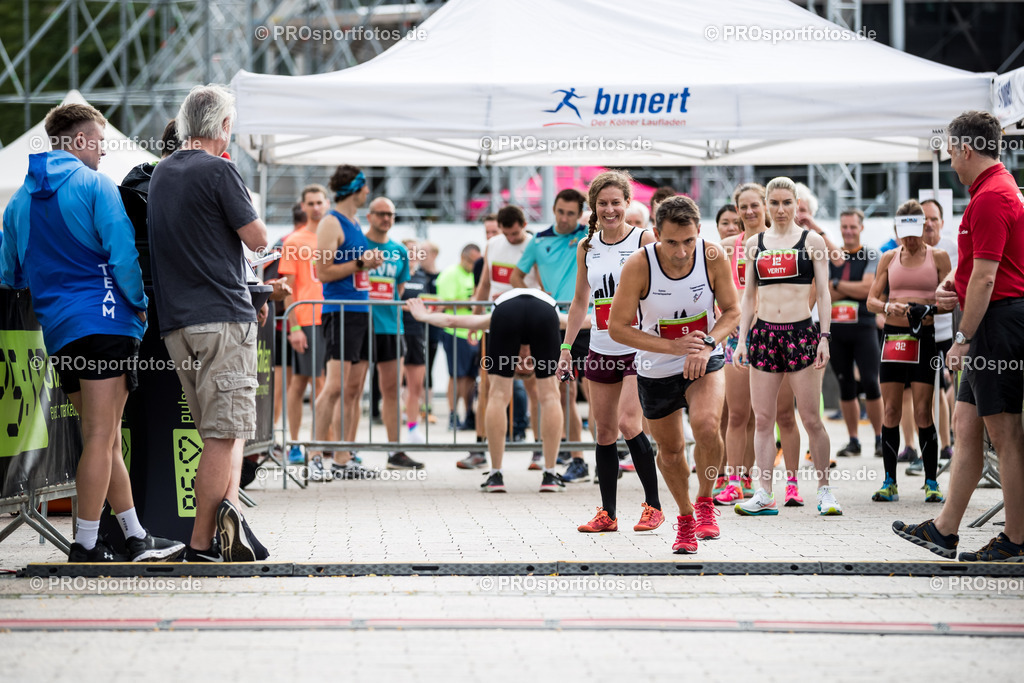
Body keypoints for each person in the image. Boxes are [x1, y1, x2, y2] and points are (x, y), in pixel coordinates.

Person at [1, 103, 183, 563]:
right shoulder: (95, 185)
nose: (102, 153)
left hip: (60, 330)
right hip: (107, 320)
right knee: (102, 435)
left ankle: (137, 537)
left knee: (101, 436)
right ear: (80, 140)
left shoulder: (19, 200)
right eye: (99, 142)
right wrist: (139, 307)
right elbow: (123, 256)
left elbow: (12, 273)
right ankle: (84, 545)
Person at [894, 111, 1024, 561]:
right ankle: (945, 530)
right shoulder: (989, 192)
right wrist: (956, 284)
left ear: (967, 148)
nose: (949, 159)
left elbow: (989, 280)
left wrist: (963, 336)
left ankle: (1016, 540)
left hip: (996, 324)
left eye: (951, 149)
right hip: (991, 318)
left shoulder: (992, 196)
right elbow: (982, 270)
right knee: (966, 426)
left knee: (1005, 434)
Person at [148, 84, 270, 561]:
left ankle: (229, 535)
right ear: (222, 127)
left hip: (177, 324)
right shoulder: (220, 170)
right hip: (223, 318)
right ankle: (201, 546)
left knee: (217, 432)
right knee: (224, 435)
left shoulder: (161, 173)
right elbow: (257, 240)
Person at [609, 196, 740, 552]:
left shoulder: (713, 257)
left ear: (699, 232)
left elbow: (732, 310)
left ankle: (705, 501)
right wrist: (673, 347)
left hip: (704, 357)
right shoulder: (639, 265)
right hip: (657, 366)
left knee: (707, 426)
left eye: (688, 241)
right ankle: (684, 518)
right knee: (670, 450)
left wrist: (708, 344)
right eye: (671, 242)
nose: (681, 252)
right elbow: (617, 327)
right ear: (655, 234)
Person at [558, 170, 663, 530]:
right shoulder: (586, 246)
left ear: (627, 204)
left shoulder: (644, 239)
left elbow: (660, 291)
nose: (609, 209)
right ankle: (609, 514)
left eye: (616, 203)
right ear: (594, 207)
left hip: (637, 348)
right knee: (603, 432)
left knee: (628, 423)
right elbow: (579, 301)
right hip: (600, 348)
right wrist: (566, 348)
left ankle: (653, 505)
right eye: (603, 203)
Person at [733, 177, 841, 517]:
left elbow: (823, 293)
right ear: (767, 205)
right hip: (764, 335)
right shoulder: (755, 243)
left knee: (811, 418)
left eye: (787, 203)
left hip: (801, 335)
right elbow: (748, 295)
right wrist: (741, 340)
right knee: (763, 419)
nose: (780, 210)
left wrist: (824, 336)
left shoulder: (813, 242)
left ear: (797, 205)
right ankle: (764, 492)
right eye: (775, 203)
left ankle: (824, 491)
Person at [406, 293, 566, 493]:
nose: (524, 358)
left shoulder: (495, 316)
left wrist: (423, 316)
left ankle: (495, 475)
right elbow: (588, 320)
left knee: (498, 396)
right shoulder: (556, 317)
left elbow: (452, 320)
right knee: (550, 396)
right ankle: (550, 475)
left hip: (506, 311)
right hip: (544, 311)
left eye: (523, 363)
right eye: (527, 361)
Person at [715, 183, 805, 508]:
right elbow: (715, 289)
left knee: (782, 414)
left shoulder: (786, 242)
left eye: (755, 206)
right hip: (738, 335)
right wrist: (724, 319)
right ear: (737, 211)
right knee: (738, 414)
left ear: (765, 207)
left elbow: (804, 289)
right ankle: (735, 481)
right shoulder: (726, 247)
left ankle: (791, 484)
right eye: (744, 207)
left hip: (776, 331)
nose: (750, 212)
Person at [866, 200, 950, 503]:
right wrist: (890, 306)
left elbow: (952, 300)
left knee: (923, 411)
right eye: (905, 233)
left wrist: (928, 307)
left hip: (923, 337)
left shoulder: (938, 257)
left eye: (915, 231)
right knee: (891, 410)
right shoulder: (889, 258)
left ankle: (931, 481)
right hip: (893, 337)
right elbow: (871, 301)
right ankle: (889, 481)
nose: (911, 240)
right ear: (897, 230)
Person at [313, 164, 385, 481]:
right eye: (365, 187)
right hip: (340, 310)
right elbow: (322, 272)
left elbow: (357, 267)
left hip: (360, 310)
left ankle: (343, 457)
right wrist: (360, 263)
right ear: (356, 189)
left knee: (354, 389)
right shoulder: (332, 222)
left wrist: (367, 264)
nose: (368, 192)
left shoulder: (354, 221)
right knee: (334, 387)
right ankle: (315, 454)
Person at [513, 189, 589, 470]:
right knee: (558, 392)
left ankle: (607, 456)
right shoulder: (539, 240)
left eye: (571, 212)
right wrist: (538, 296)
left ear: (580, 213)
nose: (565, 218)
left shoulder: (589, 236)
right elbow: (516, 276)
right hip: (553, 324)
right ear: (554, 209)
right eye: (560, 211)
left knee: (593, 391)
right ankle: (574, 458)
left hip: (588, 323)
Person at [474, 205, 543, 467]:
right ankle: (483, 447)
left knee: (534, 388)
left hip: (530, 323)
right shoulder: (493, 244)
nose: (512, 238)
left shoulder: (535, 244)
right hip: (497, 324)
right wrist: (474, 318)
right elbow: (485, 284)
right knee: (489, 388)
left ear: (524, 224)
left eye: (515, 233)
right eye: (507, 234)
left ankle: (539, 447)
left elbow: (543, 284)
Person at [363, 196, 419, 470]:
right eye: (381, 213)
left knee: (392, 390)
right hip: (359, 326)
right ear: (369, 216)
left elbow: (399, 288)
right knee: (348, 390)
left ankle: (395, 452)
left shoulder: (399, 250)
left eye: (391, 214)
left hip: (390, 328)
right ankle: (341, 452)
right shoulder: (358, 245)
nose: (386, 218)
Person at [278, 186, 328, 468]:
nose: (316, 207)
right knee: (312, 382)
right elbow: (289, 288)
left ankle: (325, 443)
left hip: (333, 317)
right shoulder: (294, 241)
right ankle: (303, 445)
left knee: (323, 383)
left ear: (327, 203)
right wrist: (294, 327)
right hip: (308, 319)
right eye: (311, 203)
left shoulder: (335, 239)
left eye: (320, 202)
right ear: (304, 206)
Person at [828, 208, 883, 459]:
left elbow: (869, 289)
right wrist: (851, 289)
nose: (848, 231)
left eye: (852, 226)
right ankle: (853, 441)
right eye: (844, 227)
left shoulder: (872, 254)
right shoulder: (831, 256)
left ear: (861, 228)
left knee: (871, 382)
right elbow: (825, 293)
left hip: (864, 326)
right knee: (845, 384)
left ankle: (881, 439)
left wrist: (838, 285)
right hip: (836, 329)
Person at [436, 243, 482, 446]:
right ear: (463, 258)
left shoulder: (476, 273)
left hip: (474, 332)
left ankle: (469, 413)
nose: (474, 265)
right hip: (455, 331)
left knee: (471, 376)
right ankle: (454, 414)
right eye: (472, 261)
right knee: (456, 374)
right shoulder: (449, 274)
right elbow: (445, 302)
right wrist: (472, 301)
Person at [401, 240, 440, 445]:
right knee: (395, 385)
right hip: (397, 331)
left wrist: (427, 311)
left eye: (416, 252)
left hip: (417, 333)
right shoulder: (397, 275)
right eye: (409, 252)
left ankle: (413, 428)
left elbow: (431, 302)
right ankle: (395, 426)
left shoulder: (423, 276)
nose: (413, 255)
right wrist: (411, 309)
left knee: (416, 386)